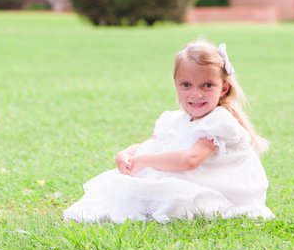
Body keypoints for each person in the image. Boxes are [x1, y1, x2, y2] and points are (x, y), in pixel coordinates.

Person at [63, 39, 273, 223]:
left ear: (224, 88)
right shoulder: (175, 119)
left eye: (207, 85)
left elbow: (190, 160)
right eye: (186, 85)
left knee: (172, 193)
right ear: (176, 85)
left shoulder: (219, 120)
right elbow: (153, 143)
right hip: (191, 178)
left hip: (219, 191)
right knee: (117, 183)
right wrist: (127, 154)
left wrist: (144, 160)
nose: (196, 94)